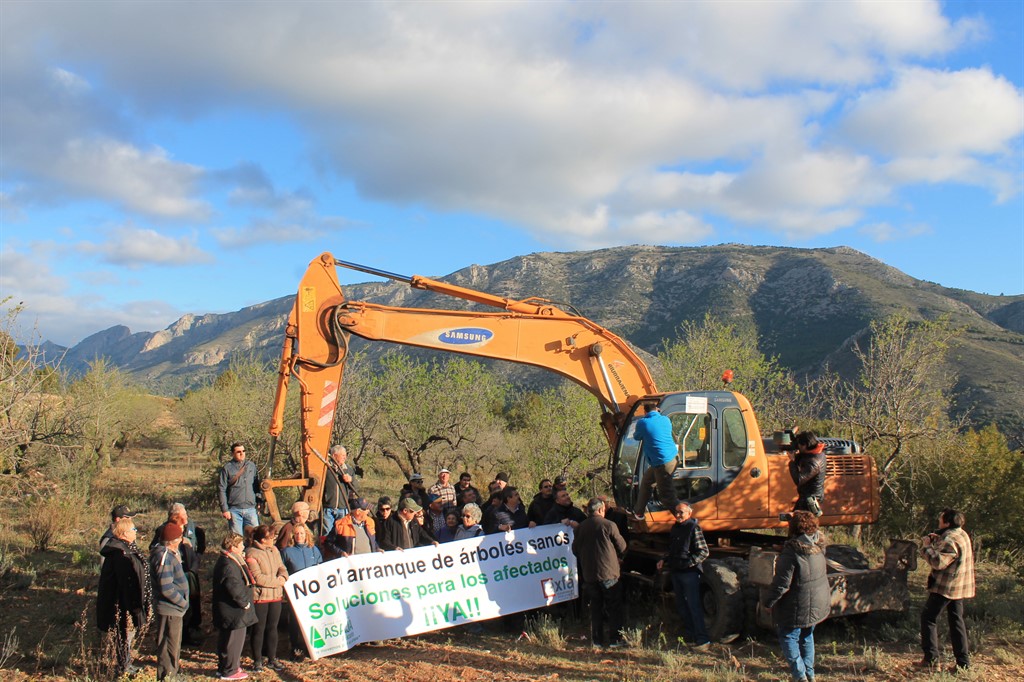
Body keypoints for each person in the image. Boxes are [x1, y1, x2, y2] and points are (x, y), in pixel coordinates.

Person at [763, 511, 830, 682]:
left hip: (797, 605)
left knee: (788, 636)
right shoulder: (819, 546)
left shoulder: (792, 552)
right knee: (807, 635)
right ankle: (809, 674)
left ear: (793, 528)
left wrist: (768, 602)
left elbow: (782, 584)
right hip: (817, 602)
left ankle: (800, 676)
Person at [917, 508, 975, 672]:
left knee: (928, 618)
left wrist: (926, 547)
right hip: (959, 586)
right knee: (956, 621)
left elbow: (938, 562)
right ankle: (963, 663)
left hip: (946, 587)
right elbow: (951, 554)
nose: (939, 522)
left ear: (947, 523)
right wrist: (938, 540)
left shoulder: (950, 539)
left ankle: (931, 660)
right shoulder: (961, 534)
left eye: (941, 520)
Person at [97, 517, 152, 678]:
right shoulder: (119, 554)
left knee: (126, 635)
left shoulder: (126, 549)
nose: (136, 532)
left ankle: (126, 663)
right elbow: (126, 582)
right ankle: (124, 666)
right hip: (121, 604)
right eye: (133, 530)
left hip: (126, 602)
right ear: (124, 533)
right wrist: (133, 606)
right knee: (123, 635)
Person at [573, 497, 628, 649]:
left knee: (595, 608)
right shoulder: (609, 525)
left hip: (590, 574)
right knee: (614, 607)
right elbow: (622, 546)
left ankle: (597, 641)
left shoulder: (580, 528)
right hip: (608, 573)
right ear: (600, 510)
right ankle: (615, 640)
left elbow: (575, 550)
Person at [150, 502, 205, 644]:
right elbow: (154, 547)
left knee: (193, 601)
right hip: (175, 573)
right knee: (180, 603)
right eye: (183, 515)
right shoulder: (165, 530)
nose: (186, 517)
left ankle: (192, 630)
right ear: (175, 516)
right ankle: (181, 637)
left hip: (189, 571)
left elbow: (200, 542)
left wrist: (197, 559)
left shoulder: (191, 526)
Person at [657, 502, 710, 648]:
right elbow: (672, 548)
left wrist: (689, 563)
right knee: (682, 606)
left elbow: (704, 551)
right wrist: (663, 559)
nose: (678, 515)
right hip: (676, 571)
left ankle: (703, 640)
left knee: (694, 606)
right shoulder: (675, 528)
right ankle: (691, 636)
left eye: (681, 512)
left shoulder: (693, 527)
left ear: (689, 513)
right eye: (676, 512)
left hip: (689, 573)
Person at [213, 533, 258, 681]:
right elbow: (233, 586)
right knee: (233, 641)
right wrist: (245, 603)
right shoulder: (228, 564)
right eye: (241, 545)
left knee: (227, 639)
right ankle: (230, 670)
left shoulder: (228, 560)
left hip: (230, 611)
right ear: (233, 547)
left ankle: (225, 667)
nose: (243, 547)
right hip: (233, 611)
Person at [245, 525, 288, 673]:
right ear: (263, 539)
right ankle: (257, 660)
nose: (273, 540)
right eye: (271, 538)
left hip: (276, 596)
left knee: (272, 628)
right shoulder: (251, 553)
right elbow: (258, 577)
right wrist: (278, 582)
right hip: (261, 597)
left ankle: (272, 658)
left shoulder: (274, 550)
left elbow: (282, 567)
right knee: (259, 629)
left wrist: (283, 577)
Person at [149, 523, 189, 681]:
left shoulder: (168, 554)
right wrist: (182, 602)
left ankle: (173, 673)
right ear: (174, 540)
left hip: (174, 609)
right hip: (169, 608)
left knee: (173, 644)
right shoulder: (164, 557)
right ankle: (167, 676)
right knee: (167, 645)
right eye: (180, 537)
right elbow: (166, 588)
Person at [280, 524, 322, 661]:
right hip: (295, 593)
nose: (299, 536)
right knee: (294, 620)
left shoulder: (314, 549)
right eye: (297, 533)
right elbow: (282, 569)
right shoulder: (287, 551)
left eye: (302, 533)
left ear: (306, 534)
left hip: (312, 592)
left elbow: (320, 567)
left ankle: (311, 646)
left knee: (312, 618)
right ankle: (295, 646)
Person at [631, 406, 679, 520]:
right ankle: (638, 512)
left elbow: (636, 437)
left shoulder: (643, 422)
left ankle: (685, 519)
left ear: (645, 411)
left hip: (663, 462)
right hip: (671, 458)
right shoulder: (666, 419)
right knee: (647, 482)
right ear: (657, 409)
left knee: (666, 496)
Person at [219, 442, 262, 536]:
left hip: (251, 509)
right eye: (238, 452)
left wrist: (259, 501)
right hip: (234, 510)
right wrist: (225, 509)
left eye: (243, 451)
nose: (242, 453)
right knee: (237, 539)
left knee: (255, 536)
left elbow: (256, 485)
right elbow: (222, 489)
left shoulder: (251, 466)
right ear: (232, 453)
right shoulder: (227, 468)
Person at [322, 444, 359, 536]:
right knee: (327, 533)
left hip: (343, 508)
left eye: (345, 455)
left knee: (342, 533)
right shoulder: (325, 468)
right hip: (328, 508)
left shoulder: (348, 469)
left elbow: (356, 487)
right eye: (342, 455)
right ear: (334, 456)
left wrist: (351, 480)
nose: (345, 457)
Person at [789, 431, 826, 516]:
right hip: (806, 497)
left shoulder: (814, 462)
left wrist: (792, 462)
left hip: (810, 500)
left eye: (799, 445)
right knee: (796, 520)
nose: (798, 447)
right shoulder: (814, 454)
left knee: (802, 522)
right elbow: (803, 458)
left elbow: (799, 480)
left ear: (805, 445)